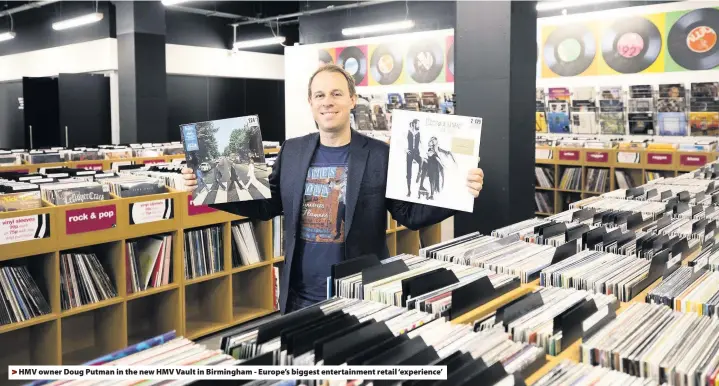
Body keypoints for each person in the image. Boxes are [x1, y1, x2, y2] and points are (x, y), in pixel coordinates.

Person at [181, 64, 484, 314]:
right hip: (300, 296)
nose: (328, 101)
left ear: (352, 100)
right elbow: (266, 206)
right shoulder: (293, 150)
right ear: (311, 103)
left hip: (360, 292)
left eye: (337, 93)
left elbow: (409, 215)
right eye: (320, 95)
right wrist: (208, 190)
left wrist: (461, 193)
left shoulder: (380, 154)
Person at [406, 119, 422, 197]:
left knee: (421, 160)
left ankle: (419, 173)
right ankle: (409, 191)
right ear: (414, 124)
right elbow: (400, 140)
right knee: (409, 172)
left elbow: (421, 143)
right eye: (418, 124)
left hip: (416, 153)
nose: (419, 125)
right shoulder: (408, 132)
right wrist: (405, 149)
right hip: (409, 153)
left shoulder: (418, 133)